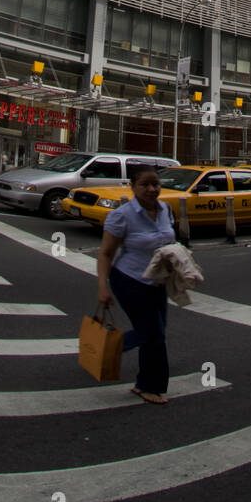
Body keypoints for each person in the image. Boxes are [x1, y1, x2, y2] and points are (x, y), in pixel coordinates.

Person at [97, 167, 176, 404]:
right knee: (154, 335)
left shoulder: (165, 210)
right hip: (129, 280)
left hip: (157, 280)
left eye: (156, 184)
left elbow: (168, 240)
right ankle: (148, 386)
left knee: (154, 331)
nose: (152, 189)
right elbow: (105, 254)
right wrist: (102, 286)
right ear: (133, 186)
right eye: (145, 185)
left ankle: (110, 348)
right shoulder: (122, 215)